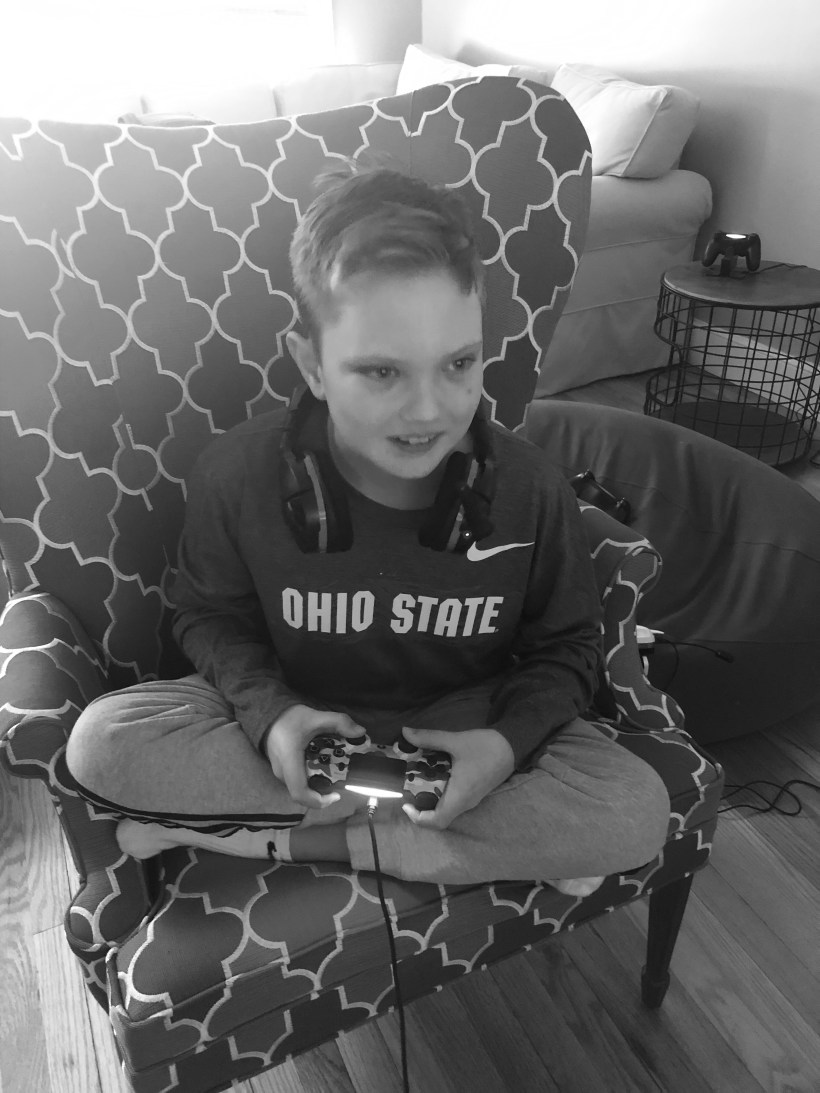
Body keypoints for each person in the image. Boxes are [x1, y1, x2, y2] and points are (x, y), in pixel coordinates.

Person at [65, 161, 669, 895]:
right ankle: (443, 839)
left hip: (464, 722)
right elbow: (208, 616)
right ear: (311, 365)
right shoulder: (235, 473)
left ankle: (277, 837)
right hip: (295, 716)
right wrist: (274, 718)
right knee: (103, 744)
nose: (430, 410)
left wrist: (502, 749)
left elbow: (568, 645)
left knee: (635, 808)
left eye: (459, 363)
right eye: (382, 372)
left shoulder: (532, 487)